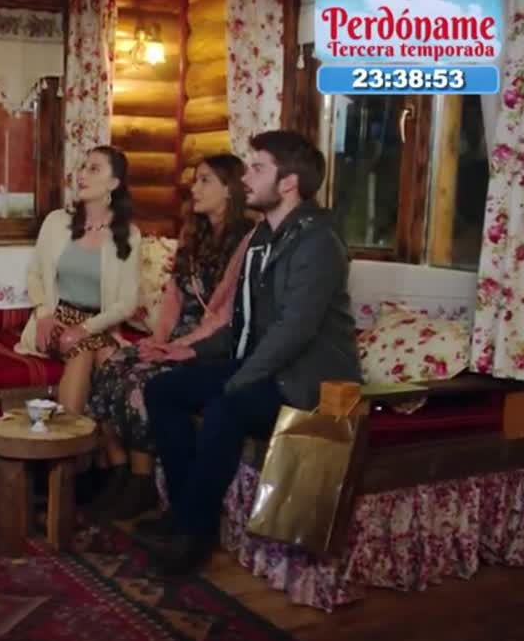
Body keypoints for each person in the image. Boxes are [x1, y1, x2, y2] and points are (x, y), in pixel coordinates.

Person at [140, 130, 361, 575]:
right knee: (164, 389)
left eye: (258, 168)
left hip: (309, 380)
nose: (246, 177)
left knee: (226, 406)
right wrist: (195, 352)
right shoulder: (264, 237)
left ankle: (193, 535)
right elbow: (244, 323)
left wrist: (238, 379)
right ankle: (185, 512)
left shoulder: (318, 241)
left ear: (288, 183)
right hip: (269, 368)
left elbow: (295, 331)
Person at [84, 155, 255, 521]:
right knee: (114, 364)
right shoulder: (194, 234)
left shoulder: (247, 242)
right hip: (176, 337)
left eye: (205, 181)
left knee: (142, 379)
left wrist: (178, 348)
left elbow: (226, 316)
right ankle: (120, 472)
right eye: (195, 180)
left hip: (210, 345)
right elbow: (173, 297)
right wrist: (157, 339)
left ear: (230, 189)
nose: (195, 189)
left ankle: (143, 482)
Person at [15, 146, 142, 415]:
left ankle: (105, 442)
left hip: (98, 324)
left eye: (94, 169)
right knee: (83, 352)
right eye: (83, 167)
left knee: (110, 360)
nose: (82, 175)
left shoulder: (129, 235)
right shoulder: (56, 222)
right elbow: (35, 273)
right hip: (56, 318)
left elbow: (127, 303)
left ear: (114, 183)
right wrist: (43, 314)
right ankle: (70, 440)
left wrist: (84, 329)